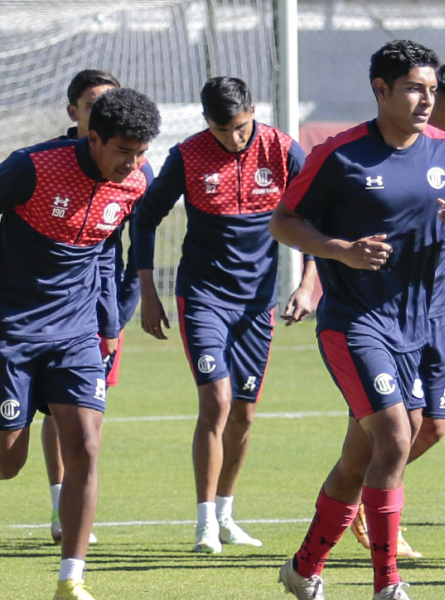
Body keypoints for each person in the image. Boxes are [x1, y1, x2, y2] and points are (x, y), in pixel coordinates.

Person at [0, 87, 159, 600]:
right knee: (6, 463)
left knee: (86, 447)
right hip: (12, 331)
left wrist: (111, 319)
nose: (133, 163)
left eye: (141, 153)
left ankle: (71, 580)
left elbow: (106, 246)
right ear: (92, 138)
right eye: (123, 151)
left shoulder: (136, 180)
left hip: (76, 335)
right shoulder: (32, 165)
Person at [272, 39, 445, 600]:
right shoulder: (340, 154)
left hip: (418, 327)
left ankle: (303, 568)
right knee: (395, 438)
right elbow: (284, 222)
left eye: (431, 90)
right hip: (354, 322)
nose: (426, 99)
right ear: (381, 89)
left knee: (361, 456)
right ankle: (387, 583)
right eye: (415, 88)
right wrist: (337, 250)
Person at [132, 75, 312, 553]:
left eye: (240, 126)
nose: (233, 137)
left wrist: (309, 281)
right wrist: (148, 291)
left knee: (244, 415)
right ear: (206, 122)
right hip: (204, 297)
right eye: (221, 128)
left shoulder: (281, 150)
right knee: (216, 400)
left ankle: (228, 516)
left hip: (258, 304)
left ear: (252, 110)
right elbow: (145, 216)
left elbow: (318, 215)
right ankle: (204, 523)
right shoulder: (188, 155)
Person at [347, 61, 445, 560]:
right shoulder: (366, 156)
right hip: (378, 314)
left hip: (432, 310)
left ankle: (367, 503)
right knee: (383, 433)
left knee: (433, 426)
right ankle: (370, 515)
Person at [37, 68, 126, 546]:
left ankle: (73, 503)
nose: (103, 110)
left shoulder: (130, 163)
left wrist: (114, 313)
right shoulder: (50, 161)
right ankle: (60, 503)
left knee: (91, 418)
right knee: (59, 413)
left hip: (101, 307)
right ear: (75, 112)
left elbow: (116, 245)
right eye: (93, 103)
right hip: (49, 314)